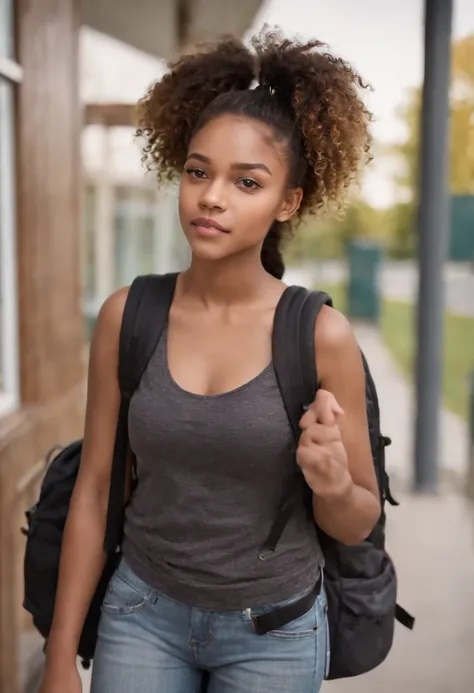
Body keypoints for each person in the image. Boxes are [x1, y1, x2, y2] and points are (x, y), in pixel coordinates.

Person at [39, 28, 381, 693]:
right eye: (198, 171)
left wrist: (331, 481)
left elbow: (358, 519)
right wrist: (58, 653)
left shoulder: (321, 335)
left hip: (275, 633)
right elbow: (98, 485)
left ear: (288, 202)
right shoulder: (126, 316)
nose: (212, 196)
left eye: (245, 181)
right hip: (141, 615)